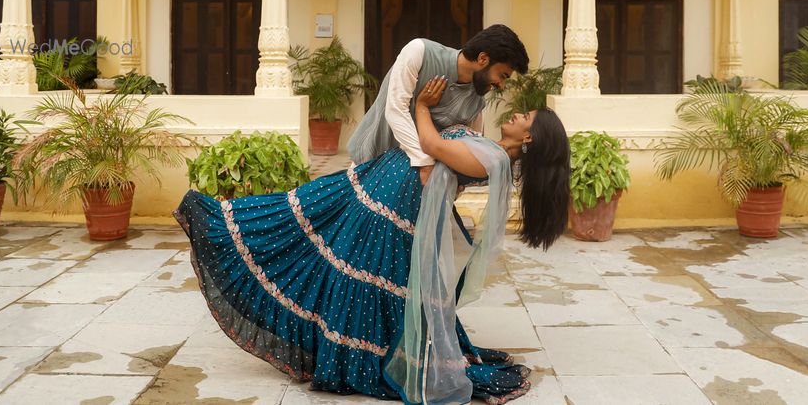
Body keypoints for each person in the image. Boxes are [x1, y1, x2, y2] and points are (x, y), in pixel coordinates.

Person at [174, 77, 570, 404]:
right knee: (302, 219)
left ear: (531, 139)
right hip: (376, 190)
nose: (516, 113)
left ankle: (213, 220)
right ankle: (218, 221)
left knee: (345, 266)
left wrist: (421, 107)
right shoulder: (491, 148)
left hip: (391, 209)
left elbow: (432, 146)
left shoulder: (493, 161)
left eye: (525, 117)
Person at [348, 25, 530, 186]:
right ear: (483, 58)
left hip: (417, 186)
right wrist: (424, 162)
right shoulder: (420, 52)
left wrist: (457, 180)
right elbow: (396, 109)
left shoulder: (477, 101)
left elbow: (470, 147)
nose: (502, 85)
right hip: (371, 161)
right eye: (503, 75)